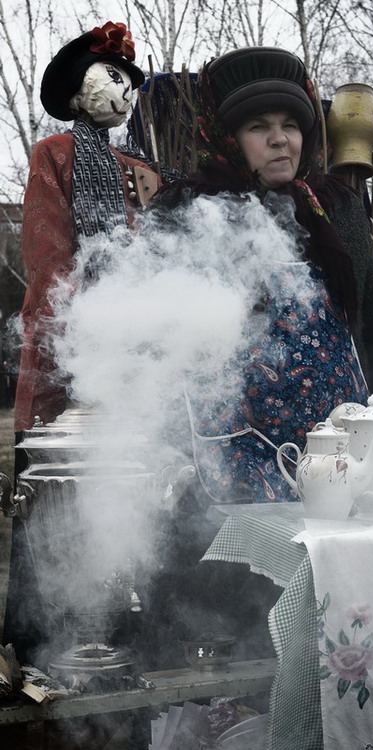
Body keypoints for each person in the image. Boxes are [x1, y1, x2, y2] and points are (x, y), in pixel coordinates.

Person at [142, 46, 373, 669]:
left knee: (344, 631)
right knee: (248, 648)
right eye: (259, 128)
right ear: (228, 138)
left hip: (347, 458)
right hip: (239, 467)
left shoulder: (333, 206)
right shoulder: (184, 213)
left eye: (291, 125)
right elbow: (156, 349)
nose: (280, 141)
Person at [4, 21, 160, 667]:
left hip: (133, 347)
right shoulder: (54, 154)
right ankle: (47, 639)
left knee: (127, 480)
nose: (124, 93)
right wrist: (85, 327)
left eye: (131, 84)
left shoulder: (139, 167)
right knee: (57, 477)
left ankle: (124, 623)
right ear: (76, 92)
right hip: (70, 340)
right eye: (112, 78)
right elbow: (47, 249)